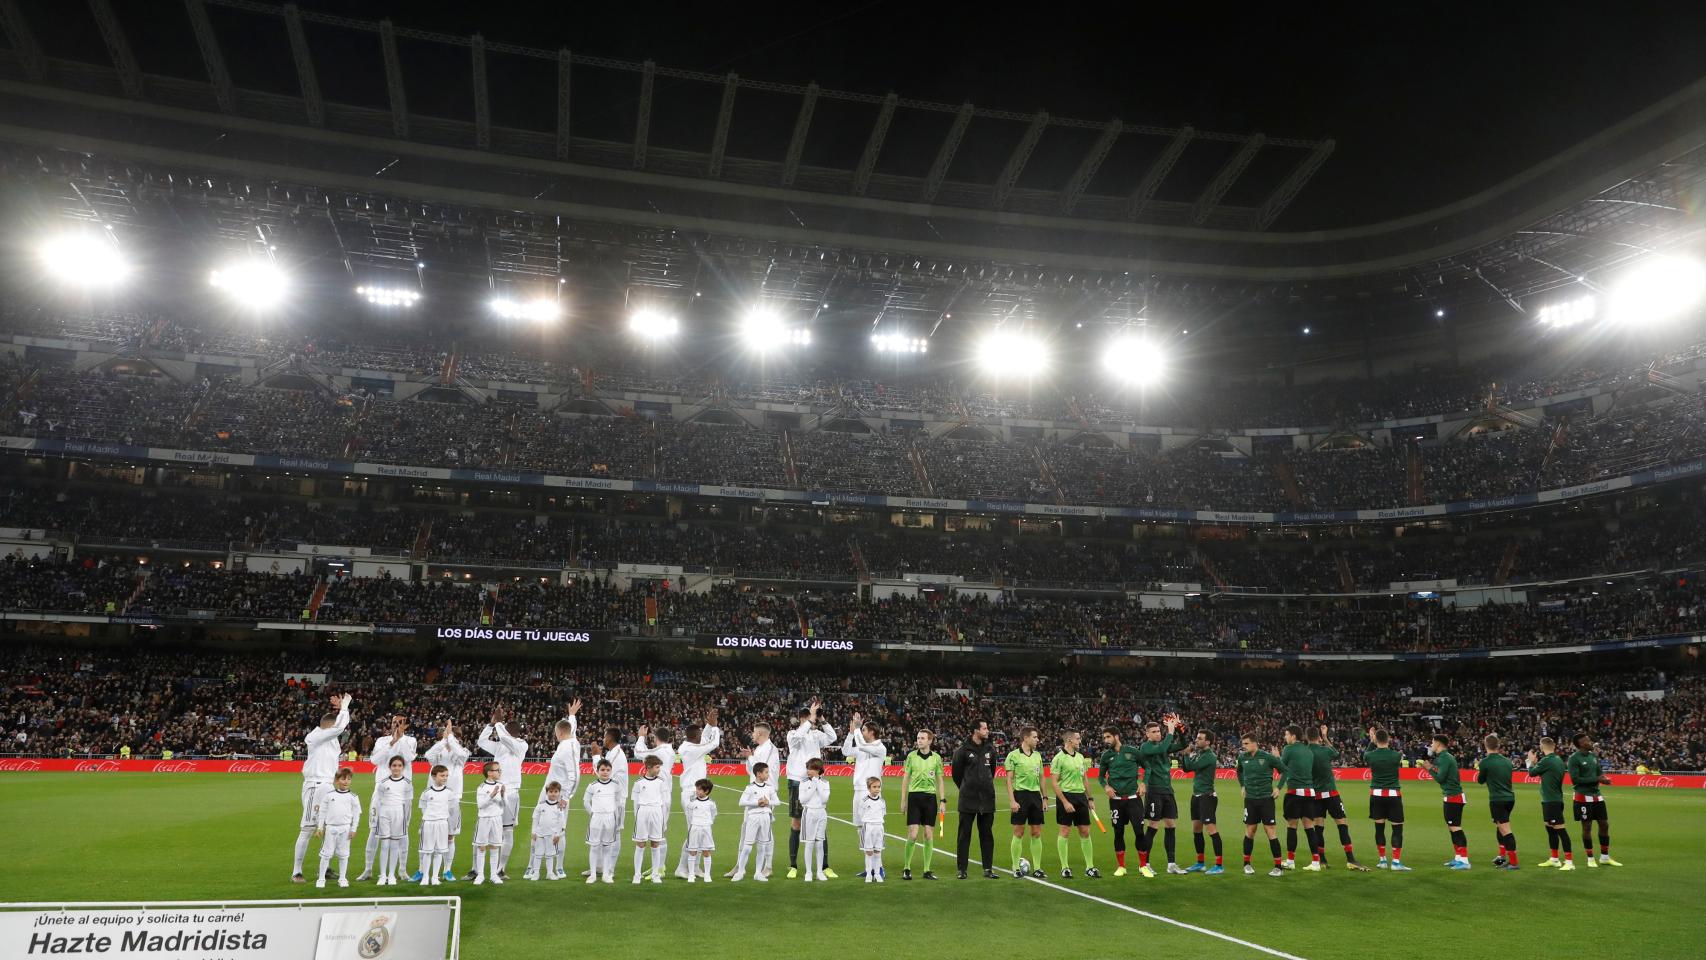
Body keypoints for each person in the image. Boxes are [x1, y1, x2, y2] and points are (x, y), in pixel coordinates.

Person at [293, 692, 350, 883]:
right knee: (308, 828)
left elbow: (339, 728)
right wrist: (345, 706)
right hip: (314, 787)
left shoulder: (333, 741)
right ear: (328, 726)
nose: (338, 730)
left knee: (329, 827)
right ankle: (297, 872)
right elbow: (339, 727)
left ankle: (323, 868)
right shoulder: (315, 736)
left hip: (329, 786)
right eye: (334, 727)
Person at [357, 714, 416, 882]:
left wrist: (400, 738)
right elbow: (374, 760)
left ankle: (402, 871)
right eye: (394, 722)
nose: (396, 725)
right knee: (374, 829)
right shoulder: (382, 741)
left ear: (406, 725)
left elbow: (410, 757)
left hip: (403, 792)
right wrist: (392, 742)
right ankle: (368, 869)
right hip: (382, 789)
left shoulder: (410, 741)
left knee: (403, 831)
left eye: (400, 722)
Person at [785, 699, 836, 879]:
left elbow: (832, 738)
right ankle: (793, 866)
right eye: (808, 717)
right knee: (797, 823)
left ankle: (825, 866)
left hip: (817, 780)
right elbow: (799, 736)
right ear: (801, 719)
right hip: (797, 781)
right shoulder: (793, 734)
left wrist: (822, 720)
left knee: (819, 823)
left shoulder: (816, 734)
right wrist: (810, 721)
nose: (811, 720)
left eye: (812, 716)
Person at [477, 708, 527, 879]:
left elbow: (505, 738)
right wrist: (491, 724)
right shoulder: (499, 746)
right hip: (493, 790)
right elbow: (481, 741)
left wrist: (498, 723)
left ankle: (501, 868)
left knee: (507, 832)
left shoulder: (521, 745)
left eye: (505, 728)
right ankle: (478, 869)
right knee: (486, 829)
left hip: (510, 793)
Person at [1310, 724, 1367, 871]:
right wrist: (1326, 737)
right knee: (1342, 825)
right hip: (1331, 794)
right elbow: (1336, 754)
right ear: (1318, 738)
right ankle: (1350, 859)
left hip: (1315, 796)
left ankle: (1322, 860)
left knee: (1318, 828)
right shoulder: (1325, 750)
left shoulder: (1305, 753)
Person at [673, 710, 722, 879]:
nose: (703, 735)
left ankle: (695, 867)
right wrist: (714, 727)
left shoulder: (692, 745)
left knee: (701, 830)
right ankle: (681, 868)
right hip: (692, 794)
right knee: (694, 831)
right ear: (695, 737)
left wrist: (708, 725)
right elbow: (713, 743)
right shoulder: (692, 749)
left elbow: (703, 739)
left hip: (697, 792)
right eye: (700, 733)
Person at [951, 718, 998, 880]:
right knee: (964, 835)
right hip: (968, 799)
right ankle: (962, 869)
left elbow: (993, 770)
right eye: (984, 728)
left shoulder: (990, 749)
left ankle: (988, 869)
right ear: (976, 731)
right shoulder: (962, 750)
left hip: (987, 800)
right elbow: (956, 775)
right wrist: (966, 788)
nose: (987, 731)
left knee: (987, 835)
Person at [423, 719, 469, 882]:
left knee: (450, 836)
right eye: (450, 736)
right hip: (434, 798)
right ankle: (423, 871)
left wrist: (450, 739)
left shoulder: (461, 752)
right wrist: (443, 740)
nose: (452, 739)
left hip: (452, 799)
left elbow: (462, 755)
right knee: (428, 836)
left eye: (454, 737)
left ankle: (447, 870)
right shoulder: (438, 752)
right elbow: (427, 755)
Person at [1234, 734, 1286, 877]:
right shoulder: (1242, 758)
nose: (1243, 746)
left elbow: (1284, 770)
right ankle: (1246, 864)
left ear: (1255, 743)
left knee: (1270, 831)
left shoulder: (1267, 757)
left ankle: (1278, 867)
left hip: (1266, 799)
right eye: (1243, 743)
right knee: (1250, 831)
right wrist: (1242, 785)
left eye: (1246, 743)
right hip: (1250, 800)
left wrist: (1278, 788)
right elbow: (1239, 772)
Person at [1137, 716, 1183, 878]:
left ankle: (1171, 864)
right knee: (1153, 825)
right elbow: (1163, 748)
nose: (1158, 734)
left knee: (1171, 825)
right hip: (1154, 791)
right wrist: (1170, 731)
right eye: (1154, 732)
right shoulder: (1146, 747)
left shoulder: (1162, 746)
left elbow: (1183, 745)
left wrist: (1179, 728)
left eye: (1159, 731)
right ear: (1147, 734)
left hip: (1167, 790)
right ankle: (1145, 864)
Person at [1049, 729, 1098, 879]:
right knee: (1065, 831)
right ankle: (1065, 867)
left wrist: (1090, 799)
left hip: (1080, 797)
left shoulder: (1081, 757)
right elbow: (1054, 782)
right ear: (1069, 740)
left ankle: (1090, 867)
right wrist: (1064, 802)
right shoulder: (1058, 758)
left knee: (1085, 831)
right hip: (1066, 796)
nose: (1079, 741)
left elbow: (1085, 779)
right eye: (1077, 739)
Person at [842, 714, 887, 878]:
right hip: (858, 791)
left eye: (864, 729)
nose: (862, 731)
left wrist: (857, 728)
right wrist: (850, 733)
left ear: (872, 732)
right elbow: (845, 750)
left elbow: (860, 743)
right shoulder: (861, 747)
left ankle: (879, 867)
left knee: (874, 828)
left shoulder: (880, 748)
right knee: (861, 828)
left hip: (872, 792)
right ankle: (870, 867)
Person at [1097, 724, 1144, 877]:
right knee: (1118, 833)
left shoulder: (1132, 752)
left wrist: (1144, 783)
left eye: (1108, 737)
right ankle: (1121, 866)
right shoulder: (1106, 756)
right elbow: (1100, 777)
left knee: (1139, 831)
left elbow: (1148, 767)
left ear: (1116, 736)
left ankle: (1143, 866)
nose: (1106, 740)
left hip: (1133, 799)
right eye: (1104, 738)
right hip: (1116, 801)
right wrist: (1106, 787)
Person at [1567, 733, 1619, 867]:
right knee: (1587, 827)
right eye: (1587, 741)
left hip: (1597, 796)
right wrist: (1597, 779)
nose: (1590, 742)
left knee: (1604, 825)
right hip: (1582, 797)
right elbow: (1575, 780)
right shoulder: (1574, 759)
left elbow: (1599, 772)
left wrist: (1604, 779)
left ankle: (1605, 857)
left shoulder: (1593, 756)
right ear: (1581, 744)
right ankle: (1590, 858)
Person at [901, 729, 945, 881]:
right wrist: (903, 800)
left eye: (922, 738)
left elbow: (940, 780)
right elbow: (905, 779)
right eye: (918, 738)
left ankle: (927, 870)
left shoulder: (936, 758)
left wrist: (943, 800)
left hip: (930, 798)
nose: (919, 740)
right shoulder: (911, 756)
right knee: (913, 835)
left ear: (930, 741)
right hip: (914, 797)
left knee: (928, 834)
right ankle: (906, 868)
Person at [1364, 726, 1410, 871]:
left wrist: (1372, 741)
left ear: (1376, 739)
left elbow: (1365, 754)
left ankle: (1382, 860)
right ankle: (1396, 862)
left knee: (1379, 829)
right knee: (1397, 829)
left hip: (1376, 795)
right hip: (1393, 795)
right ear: (1389, 740)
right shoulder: (1397, 755)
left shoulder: (1370, 755)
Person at [1525, 737, 1575, 870]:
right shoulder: (1558, 760)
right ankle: (1554, 859)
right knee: (1550, 829)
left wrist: (1530, 760)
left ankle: (1569, 862)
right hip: (1551, 800)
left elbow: (1531, 773)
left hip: (1552, 801)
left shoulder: (1547, 761)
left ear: (1542, 747)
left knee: (1560, 830)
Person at [586, 726, 629, 877]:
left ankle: (609, 868)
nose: (603, 739)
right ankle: (598, 867)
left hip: (616, 801)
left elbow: (602, 772)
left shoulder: (617, 754)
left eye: (604, 736)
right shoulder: (612, 753)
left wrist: (596, 756)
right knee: (603, 833)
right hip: (608, 799)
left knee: (614, 834)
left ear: (609, 738)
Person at [1004, 725, 1047, 878]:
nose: (1037, 740)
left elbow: (1041, 777)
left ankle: (1037, 868)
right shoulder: (1013, 755)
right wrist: (1012, 800)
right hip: (1020, 795)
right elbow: (1008, 780)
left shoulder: (1038, 756)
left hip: (1035, 796)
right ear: (1026, 738)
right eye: (1035, 737)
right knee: (1019, 832)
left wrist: (1045, 797)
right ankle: (1015, 867)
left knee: (1036, 832)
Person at [1180, 729, 1222, 874]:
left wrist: (1186, 754)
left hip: (1207, 796)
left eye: (1200, 738)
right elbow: (1186, 769)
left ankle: (1219, 865)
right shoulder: (1199, 753)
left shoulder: (1210, 756)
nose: (1196, 740)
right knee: (1197, 830)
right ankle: (1200, 863)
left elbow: (1191, 766)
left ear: (1208, 742)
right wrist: (1185, 755)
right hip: (1196, 795)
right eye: (1197, 737)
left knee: (1211, 830)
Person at [1427, 734, 1470, 870]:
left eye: (1433, 742)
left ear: (1438, 744)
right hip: (1451, 796)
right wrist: (1431, 767)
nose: (1431, 744)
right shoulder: (1444, 757)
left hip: (1454, 797)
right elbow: (1441, 773)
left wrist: (1428, 768)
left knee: (1456, 828)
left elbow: (1440, 778)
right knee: (1452, 828)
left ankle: (1464, 860)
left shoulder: (1445, 758)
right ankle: (1458, 857)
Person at [313, 766, 361, 889]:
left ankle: (343, 878)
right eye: (343, 778)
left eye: (349, 779)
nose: (346, 781)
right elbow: (322, 811)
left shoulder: (353, 797)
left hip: (345, 829)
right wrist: (320, 828)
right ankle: (321, 878)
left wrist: (354, 829)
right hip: (330, 828)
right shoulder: (329, 795)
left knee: (344, 854)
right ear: (337, 780)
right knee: (326, 854)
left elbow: (356, 814)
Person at [1278, 724, 1317, 870]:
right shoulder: (1308, 751)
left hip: (1295, 792)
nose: (1285, 737)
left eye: (1286, 734)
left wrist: (1278, 788)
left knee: (1292, 826)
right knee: (1309, 827)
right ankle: (1315, 862)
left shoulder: (1288, 749)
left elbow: (1283, 769)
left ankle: (1290, 861)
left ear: (1293, 736)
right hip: (1310, 792)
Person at [732, 760, 779, 882]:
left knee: (762, 846)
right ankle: (740, 872)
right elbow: (741, 802)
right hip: (753, 817)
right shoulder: (750, 788)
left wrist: (768, 802)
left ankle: (758, 873)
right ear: (758, 774)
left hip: (766, 818)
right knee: (747, 846)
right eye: (766, 772)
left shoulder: (770, 788)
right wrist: (757, 802)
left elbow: (777, 802)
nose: (768, 775)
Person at [1477, 734, 1518, 870]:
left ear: (1485, 745)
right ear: (1498, 746)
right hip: (1510, 798)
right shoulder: (1507, 761)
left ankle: (1513, 862)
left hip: (1497, 799)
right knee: (1500, 827)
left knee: (1505, 830)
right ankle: (1502, 856)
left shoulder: (1485, 762)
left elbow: (1480, 780)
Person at [373, 754, 413, 886]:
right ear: (390, 767)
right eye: (394, 765)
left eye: (399, 766)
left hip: (399, 814)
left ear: (403, 767)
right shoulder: (383, 782)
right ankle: (382, 875)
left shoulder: (407, 783)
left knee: (395, 845)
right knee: (384, 845)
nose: (396, 768)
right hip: (385, 813)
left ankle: (391, 875)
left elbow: (408, 804)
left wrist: (406, 820)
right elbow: (378, 801)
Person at [631, 755, 670, 883]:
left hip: (657, 812)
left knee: (655, 844)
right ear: (648, 767)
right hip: (643, 812)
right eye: (657, 767)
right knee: (641, 844)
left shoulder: (661, 783)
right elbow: (635, 804)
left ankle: (655, 874)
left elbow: (665, 803)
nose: (659, 770)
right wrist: (637, 817)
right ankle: (637, 875)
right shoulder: (638, 783)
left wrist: (664, 821)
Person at [583, 758, 622, 884]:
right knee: (594, 846)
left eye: (608, 770)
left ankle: (606, 874)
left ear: (611, 771)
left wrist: (614, 814)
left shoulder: (615, 785)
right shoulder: (592, 786)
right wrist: (592, 813)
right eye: (602, 770)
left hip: (610, 818)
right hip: (596, 819)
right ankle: (593, 875)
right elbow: (585, 801)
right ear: (597, 771)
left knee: (607, 847)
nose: (605, 772)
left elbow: (618, 801)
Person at [417, 764, 454, 886]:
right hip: (429, 824)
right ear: (434, 776)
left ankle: (434, 877)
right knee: (427, 852)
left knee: (439, 851)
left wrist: (450, 829)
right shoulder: (426, 792)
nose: (445, 778)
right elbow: (423, 807)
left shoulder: (449, 792)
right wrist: (429, 818)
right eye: (442, 775)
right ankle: (425, 877)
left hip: (442, 823)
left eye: (446, 776)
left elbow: (451, 810)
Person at [544, 701, 583, 807]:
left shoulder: (568, 748)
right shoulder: (569, 740)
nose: (555, 735)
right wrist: (572, 715)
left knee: (554, 823)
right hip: (550, 791)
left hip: (557, 796)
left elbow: (574, 776)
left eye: (556, 732)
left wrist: (565, 798)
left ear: (560, 733)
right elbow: (572, 728)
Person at [472, 760, 506, 885]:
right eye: (498, 770)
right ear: (490, 773)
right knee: (481, 847)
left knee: (495, 846)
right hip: (484, 819)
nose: (500, 772)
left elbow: (504, 805)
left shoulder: (501, 785)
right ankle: (480, 875)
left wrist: (502, 795)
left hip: (497, 819)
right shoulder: (481, 787)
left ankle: (493, 875)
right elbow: (480, 805)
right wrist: (491, 795)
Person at [526, 782, 568, 881]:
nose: (553, 794)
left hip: (552, 835)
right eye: (551, 791)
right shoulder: (541, 805)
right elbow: (535, 819)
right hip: (539, 835)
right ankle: (536, 873)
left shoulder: (559, 807)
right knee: (538, 854)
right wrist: (533, 832)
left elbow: (561, 822)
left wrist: (557, 835)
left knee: (550, 855)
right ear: (547, 793)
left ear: (559, 793)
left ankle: (549, 873)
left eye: (556, 792)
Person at [798, 758, 831, 882]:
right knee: (809, 842)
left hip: (821, 812)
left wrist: (817, 783)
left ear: (818, 770)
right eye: (808, 768)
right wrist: (813, 785)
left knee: (819, 843)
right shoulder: (803, 782)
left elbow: (824, 799)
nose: (808, 771)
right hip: (809, 812)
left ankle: (819, 872)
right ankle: (808, 872)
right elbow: (803, 800)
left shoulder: (825, 783)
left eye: (811, 768)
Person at [684, 778, 719, 883]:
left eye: (699, 789)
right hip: (694, 827)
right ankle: (691, 875)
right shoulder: (692, 802)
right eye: (696, 789)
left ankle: (707, 875)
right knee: (692, 851)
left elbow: (713, 815)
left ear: (706, 791)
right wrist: (695, 823)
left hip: (706, 828)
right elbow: (689, 814)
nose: (697, 791)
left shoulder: (711, 803)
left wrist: (707, 823)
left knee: (706, 851)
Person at [855, 775, 888, 883]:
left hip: (879, 827)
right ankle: (869, 874)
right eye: (874, 787)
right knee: (869, 852)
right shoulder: (864, 800)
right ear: (869, 788)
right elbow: (860, 814)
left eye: (878, 787)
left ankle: (877, 874)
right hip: (868, 827)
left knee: (878, 851)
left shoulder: (882, 801)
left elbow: (883, 813)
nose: (877, 789)